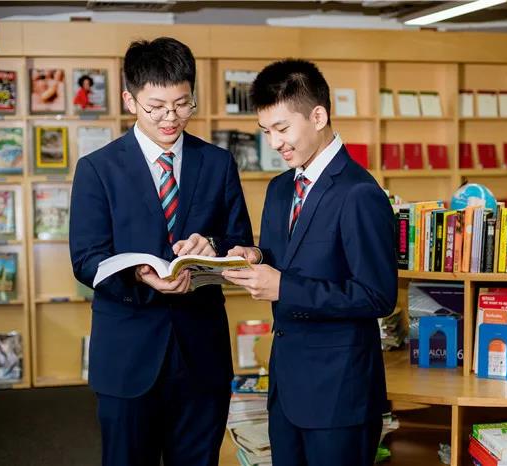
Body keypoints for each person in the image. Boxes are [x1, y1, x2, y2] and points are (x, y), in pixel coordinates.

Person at [69, 37, 253, 466]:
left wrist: (213, 246)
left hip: (202, 352)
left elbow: (240, 239)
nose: (171, 118)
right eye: (156, 107)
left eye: (182, 104)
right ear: (129, 100)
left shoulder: (218, 163)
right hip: (128, 354)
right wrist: (138, 273)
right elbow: (86, 259)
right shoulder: (97, 169)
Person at [223, 59, 398, 466]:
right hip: (286, 387)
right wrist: (254, 256)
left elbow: (377, 296)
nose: (274, 143)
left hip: (340, 395)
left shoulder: (359, 192)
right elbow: (287, 258)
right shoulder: (280, 188)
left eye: (282, 128)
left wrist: (283, 286)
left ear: (318, 117)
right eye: (266, 131)